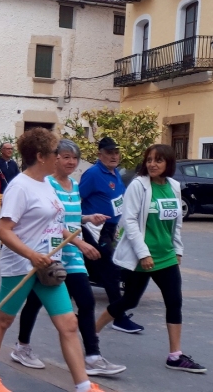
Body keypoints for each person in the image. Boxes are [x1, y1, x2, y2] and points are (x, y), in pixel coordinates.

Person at [0, 128, 102, 392]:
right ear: (41, 156)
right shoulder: (20, 187)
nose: (60, 157)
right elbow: (3, 231)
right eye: (56, 152)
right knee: (3, 320)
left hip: (48, 268)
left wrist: (75, 241)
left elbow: (55, 223)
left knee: (69, 324)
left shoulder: (46, 184)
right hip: (21, 266)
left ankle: (83, 386)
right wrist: (31, 255)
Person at [11, 139, 126, 376]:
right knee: (35, 301)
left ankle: (92, 356)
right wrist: (80, 242)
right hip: (52, 252)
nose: (71, 162)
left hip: (73, 255)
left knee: (86, 301)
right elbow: (53, 222)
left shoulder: (74, 185)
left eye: (74, 158)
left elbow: (70, 217)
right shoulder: (47, 184)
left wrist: (88, 218)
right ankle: (22, 347)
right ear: (55, 159)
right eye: (66, 157)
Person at [96, 144, 206, 374]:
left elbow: (176, 221)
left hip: (166, 256)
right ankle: (91, 333)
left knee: (174, 302)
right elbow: (129, 221)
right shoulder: (139, 185)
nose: (153, 164)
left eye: (158, 160)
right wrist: (143, 253)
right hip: (141, 257)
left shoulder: (173, 186)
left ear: (168, 163)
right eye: (149, 160)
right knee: (129, 301)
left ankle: (175, 355)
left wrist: (178, 249)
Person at [79, 137, 143, 334]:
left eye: (116, 152)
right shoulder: (93, 174)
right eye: (109, 153)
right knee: (111, 270)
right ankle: (118, 317)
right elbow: (76, 198)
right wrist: (84, 220)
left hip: (112, 229)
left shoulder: (116, 173)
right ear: (100, 155)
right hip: (95, 229)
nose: (114, 156)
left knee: (118, 267)